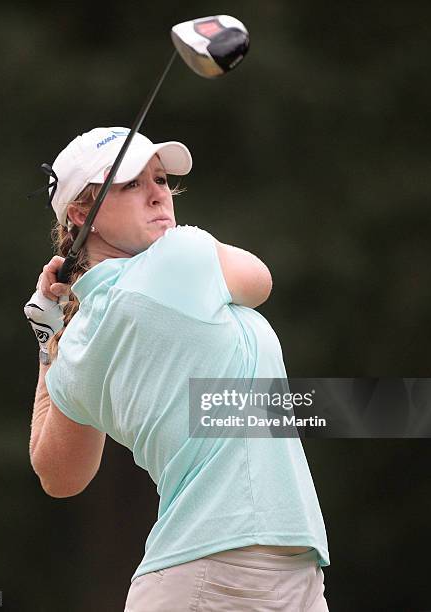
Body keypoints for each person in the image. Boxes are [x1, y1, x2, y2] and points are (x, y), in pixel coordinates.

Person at [24, 126, 330, 611]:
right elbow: (260, 280)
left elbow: (60, 475)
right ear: (83, 215)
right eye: (131, 184)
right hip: (214, 571)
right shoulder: (180, 256)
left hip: (278, 568)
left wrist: (49, 341)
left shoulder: (77, 340)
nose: (157, 195)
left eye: (161, 179)